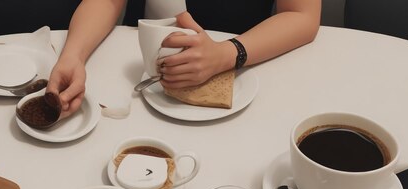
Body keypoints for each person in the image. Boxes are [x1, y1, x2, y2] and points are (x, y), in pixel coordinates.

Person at [47, 0, 321, 116]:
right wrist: (73, 56)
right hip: (137, 84)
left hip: (244, 77)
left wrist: (226, 54)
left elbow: (302, 15)